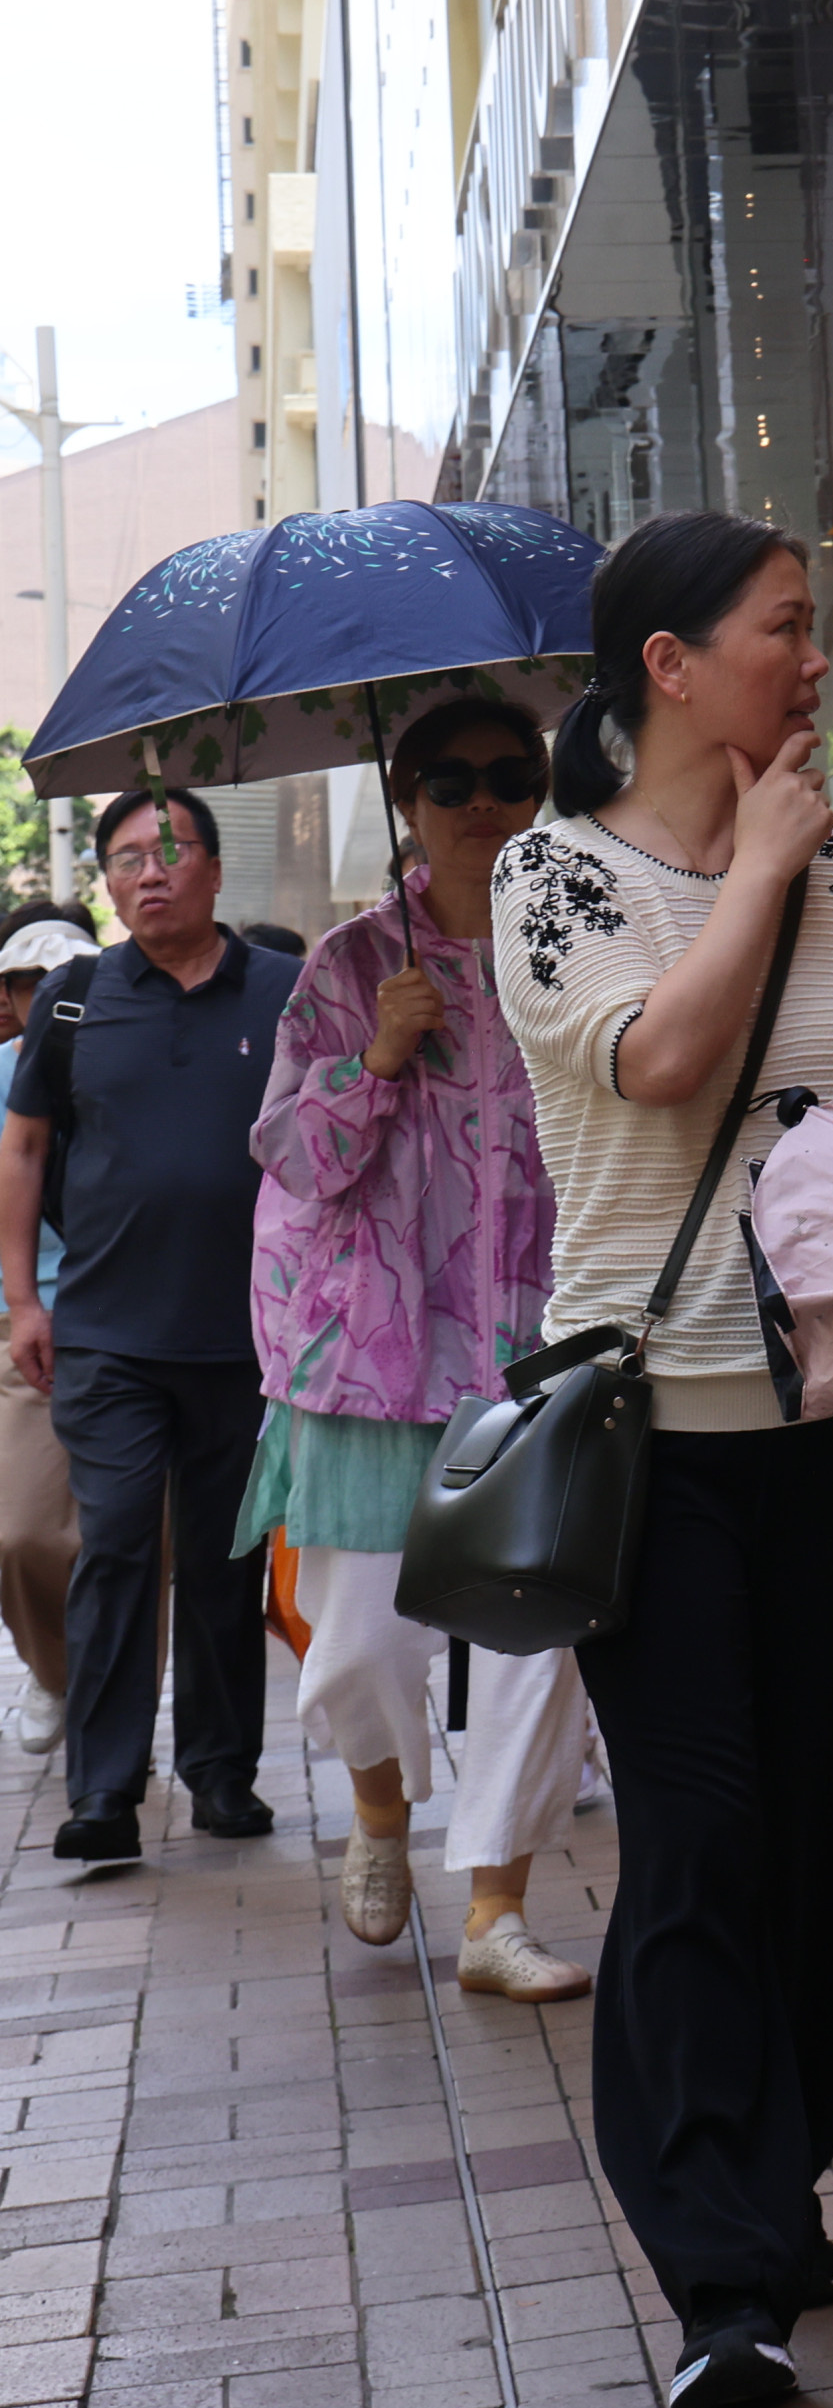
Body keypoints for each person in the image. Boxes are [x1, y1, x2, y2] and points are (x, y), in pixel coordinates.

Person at [491, 513, 833, 2408]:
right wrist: (760, 870)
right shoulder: (554, 875)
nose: (813, 656)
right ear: (668, 664)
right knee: (698, 1832)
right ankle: (720, 2282)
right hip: (655, 1436)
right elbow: (666, 1061)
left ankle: (780, 2159)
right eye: (782, 628)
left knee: (819, 1827)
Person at [238, 699, 594, 1999]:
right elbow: (292, 1155)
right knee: (363, 1648)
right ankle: (381, 1806)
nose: (483, 800)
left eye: (512, 775)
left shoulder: (575, 942)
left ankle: (498, 1906)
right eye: (453, 778)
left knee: (532, 1643)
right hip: (372, 1353)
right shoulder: (345, 964)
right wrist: (376, 1053)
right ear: (408, 792)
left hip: (538, 1345)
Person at [1, 788, 298, 1864]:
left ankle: (223, 1774)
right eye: (126, 856)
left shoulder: (287, 990)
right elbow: (24, 1147)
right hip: (109, 1336)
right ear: (107, 881)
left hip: (249, 1335)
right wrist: (25, 1300)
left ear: (216, 869)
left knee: (227, 1557)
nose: (150, 870)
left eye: (170, 849)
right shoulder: (74, 1000)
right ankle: (105, 1789)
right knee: (117, 1545)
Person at [0, 909, 96, 1758]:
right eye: (32, 981)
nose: (51, 994)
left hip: (124, 1323)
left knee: (130, 1536)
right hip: (17, 1326)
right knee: (21, 1530)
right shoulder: (0, 1074)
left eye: (67, 975)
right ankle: (54, 1666)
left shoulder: (125, 1055)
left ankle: (112, 1711)